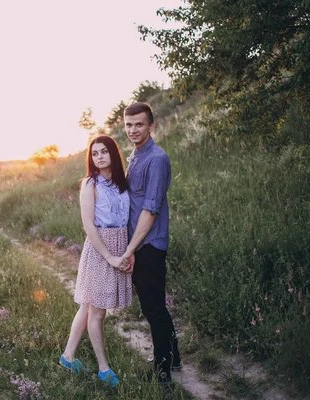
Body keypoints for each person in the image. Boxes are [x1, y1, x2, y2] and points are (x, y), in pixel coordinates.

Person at [59, 135, 134, 387]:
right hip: (100, 248)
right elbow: (89, 226)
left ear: (113, 153)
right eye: (95, 153)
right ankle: (104, 368)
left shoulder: (122, 182)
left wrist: (127, 252)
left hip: (120, 243)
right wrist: (110, 256)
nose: (99, 156)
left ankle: (68, 356)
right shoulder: (90, 183)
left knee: (88, 305)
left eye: (104, 151)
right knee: (97, 311)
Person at [120, 102, 181, 384]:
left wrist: (130, 249)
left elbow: (150, 210)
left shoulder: (156, 159)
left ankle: (163, 370)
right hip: (140, 243)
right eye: (129, 125)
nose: (133, 130)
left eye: (139, 124)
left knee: (153, 308)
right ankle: (174, 356)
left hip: (149, 245)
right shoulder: (136, 155)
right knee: (154, 304)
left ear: (151, 126)